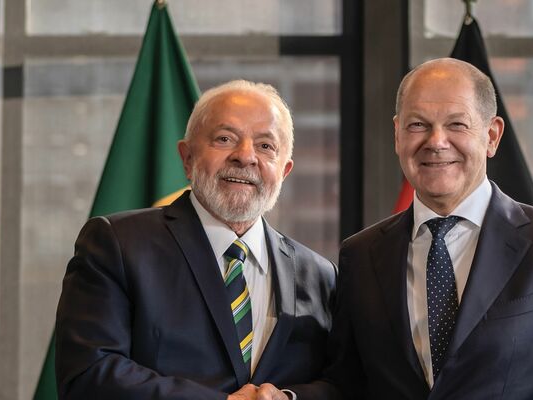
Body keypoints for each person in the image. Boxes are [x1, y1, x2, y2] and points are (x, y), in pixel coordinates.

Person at [322, 58, 533, 399]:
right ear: (397, 135)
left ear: (492, 136)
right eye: (418, 125)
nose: (436, 141)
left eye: (456, 124)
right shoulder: (360, 255)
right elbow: (346, 385)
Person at [55, 80, 336, 400]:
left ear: (284, 171)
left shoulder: (320, 276)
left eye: (265, 146)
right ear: (187, 157)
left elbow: (343, 384)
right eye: (225, 138)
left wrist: (288, 398)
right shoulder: (116, 245)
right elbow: (89, 374)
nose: (245, 157)